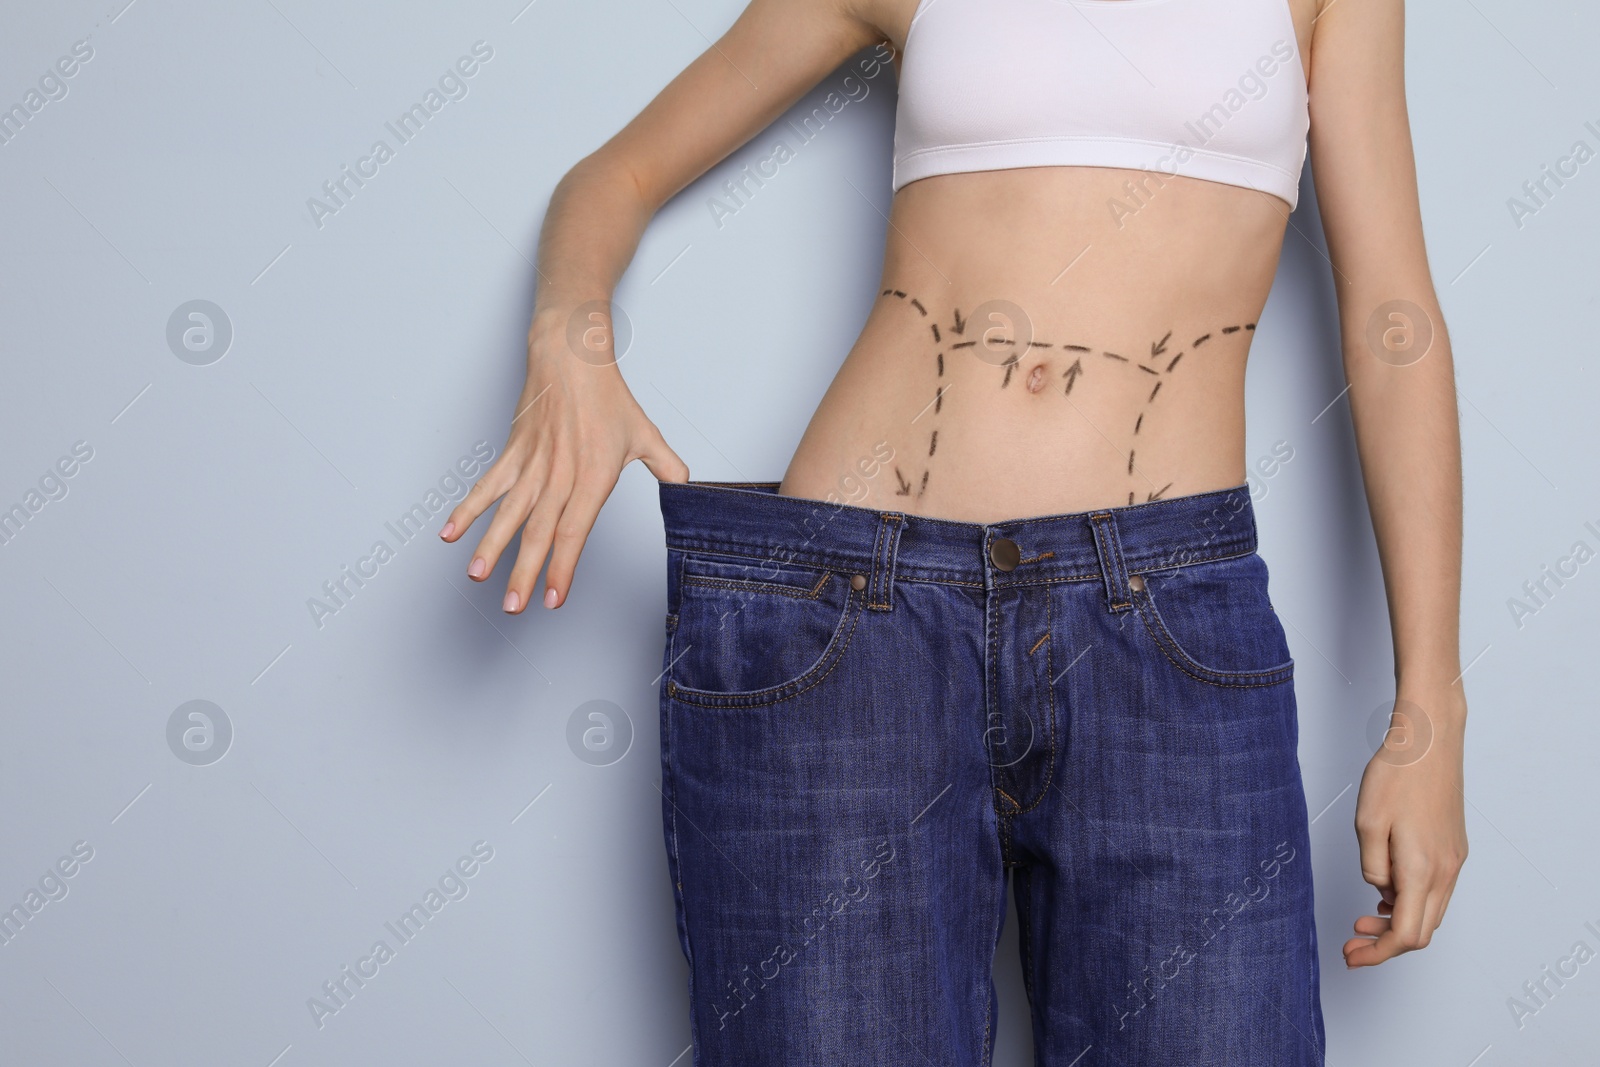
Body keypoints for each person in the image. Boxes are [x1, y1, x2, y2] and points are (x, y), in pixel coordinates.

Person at [438, 0, 1468, 1062]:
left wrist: (1429, 711)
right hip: (848, 626)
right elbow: (610, 179)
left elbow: (1395, 320)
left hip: (1165, 621)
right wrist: (570, 345)